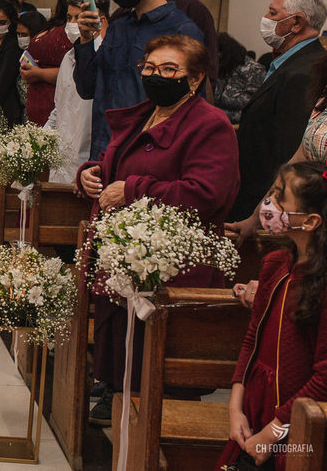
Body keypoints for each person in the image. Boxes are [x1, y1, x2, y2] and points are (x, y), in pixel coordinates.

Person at [77, 35, 240, 426]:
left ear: (195, 79)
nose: (156, 76)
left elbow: (207, 193)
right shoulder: (146, 113)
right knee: (122, 351)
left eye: (169, 70)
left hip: (173, 265)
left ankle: (142, 420)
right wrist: (90, 175)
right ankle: (118, 396)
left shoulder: (210, 124)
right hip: (128, 254)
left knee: (153, 369)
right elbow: (115, 163)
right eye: (149, 68)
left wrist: (133, 189)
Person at [219, 162, 327, 470]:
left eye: (280, 198)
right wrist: (235, 406)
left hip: (298, 430)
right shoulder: (275, 264)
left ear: (310, 221)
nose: (269, 205)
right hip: (256, 410)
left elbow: (324, 378)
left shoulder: (321, 285)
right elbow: (252, 339)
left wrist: (273, 432)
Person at [73, 0, 205, 162]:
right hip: (104, 151)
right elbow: (87, 88)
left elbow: (191, 109)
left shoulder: (182, 31)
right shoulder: (118, 27)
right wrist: (86, 40)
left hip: (148, 155)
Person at [228, 0, 327, 226]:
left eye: (273, 13)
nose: (265, 18)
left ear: (296, 23)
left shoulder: (303, 72)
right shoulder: (288, 62)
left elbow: (288, 151)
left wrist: (265, 210)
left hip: (266, 205)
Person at [46, 0, 109, 183]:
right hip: (60, 160)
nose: (72, 24)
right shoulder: (68, 57)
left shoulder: (105, 57)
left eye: (78, 17)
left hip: (88, 161)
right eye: (69, 18)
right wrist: (37, 140)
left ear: (100, 20)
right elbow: (60, 107)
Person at [216, 32, 266, 125]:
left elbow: (253, 108)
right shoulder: (223, 68)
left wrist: (216, 114)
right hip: (218, 120)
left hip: (241, 125)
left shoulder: (254, 70)